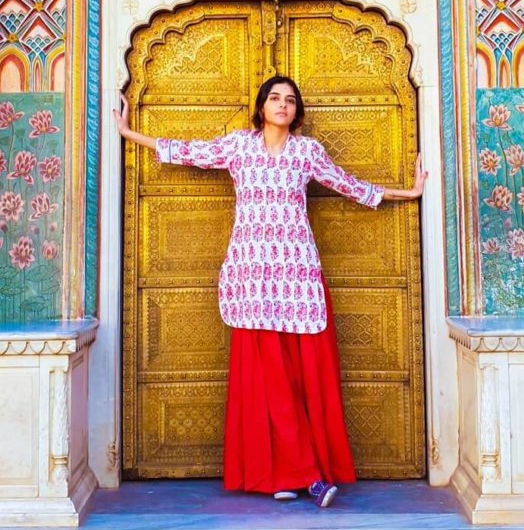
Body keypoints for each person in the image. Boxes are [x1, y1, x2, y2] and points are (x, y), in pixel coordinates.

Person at [114, 74, 427, 505]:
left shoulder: (307, 152)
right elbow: (188, 151)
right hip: (253, 278)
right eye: (275, 98)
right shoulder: (239, 146)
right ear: (261, 107)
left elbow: (349, 185)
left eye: (291, 100)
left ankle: (296, 473)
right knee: (266, 383)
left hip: (297, 275)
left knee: (301, 381)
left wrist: (408, 192)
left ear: (297, 112)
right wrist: (130, 134)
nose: (283, 105)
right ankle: (294, 476)